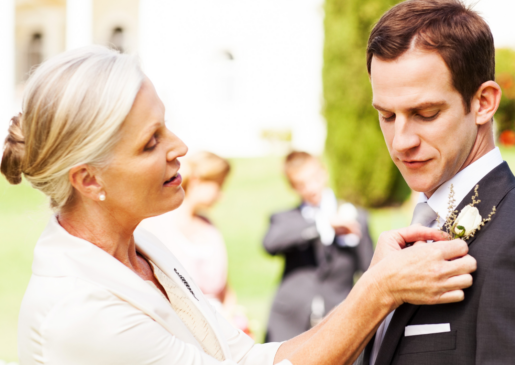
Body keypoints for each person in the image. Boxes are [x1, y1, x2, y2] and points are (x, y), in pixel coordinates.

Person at [3, 46, 477, 365]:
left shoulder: (141, 250)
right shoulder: (80, 313)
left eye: (165, 126)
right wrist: (379, 292)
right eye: (151, 143)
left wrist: (374, 279)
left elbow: (248, 357)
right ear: (88, 179)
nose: (180, 147)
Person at [359, 0, 515, 365]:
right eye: (387, 116)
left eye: (425, 113)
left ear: (483, 102)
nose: (401, 140)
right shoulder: (411, 235)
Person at [264, 151, 374, 342]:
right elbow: (270, 244)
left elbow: (369, 270)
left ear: (324, 173)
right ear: (292, 186)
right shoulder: (285, 219)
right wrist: (322, 225)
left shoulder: (356, 217)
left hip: (338, 318)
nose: (311, 188)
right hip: (290, 322)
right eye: (301, 184)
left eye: (314, 178)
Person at [140, 151, 250, 332]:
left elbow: (225, 288)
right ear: (198, 180)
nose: (221, 196)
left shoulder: (209, 227)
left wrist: (233, 320)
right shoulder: (156, 226)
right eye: (218, 185)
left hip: (221, 326)